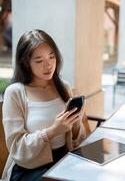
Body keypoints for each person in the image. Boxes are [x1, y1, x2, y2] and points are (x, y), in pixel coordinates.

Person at [2, 29, 90, 181]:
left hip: (63, 159)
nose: (48, 65)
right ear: (25, 62)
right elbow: (17, 148)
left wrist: (75, 124)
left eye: (52, 57)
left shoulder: (63, 86)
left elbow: (76, 141)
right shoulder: (15, 92)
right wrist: (53, 131)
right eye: (39, 60)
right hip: (29, 168)